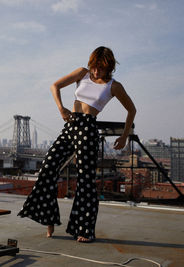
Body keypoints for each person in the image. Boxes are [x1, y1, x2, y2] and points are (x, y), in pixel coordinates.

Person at [18, 46, 136, 243]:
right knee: (48, 167)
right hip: (70, 126)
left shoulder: (114, 86)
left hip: (88, 130)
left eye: (101, 68)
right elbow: (54, 86)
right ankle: (48, 218)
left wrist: (124, 137)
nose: (96, 72)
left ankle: (85, 229)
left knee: (86, 181)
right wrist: (61, 109)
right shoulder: (82, 73)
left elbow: (132, 110)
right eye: (94, 67)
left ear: (109, 68)